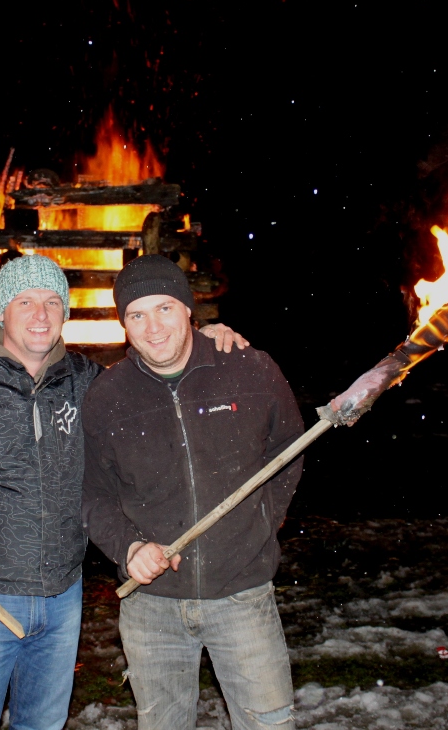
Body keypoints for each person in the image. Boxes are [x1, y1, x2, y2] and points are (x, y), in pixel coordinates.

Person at [0, 253, 246, 730]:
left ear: (65, 313)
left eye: (53, 302)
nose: (41, 314)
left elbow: (154, 377)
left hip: (63, 597)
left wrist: (203, 341)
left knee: (43, 724)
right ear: (2, 311)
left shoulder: (86, 382)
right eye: (26, 301)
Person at [82, 254, 305, 730]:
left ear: (188, 309)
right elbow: (92, 493)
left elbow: (288, 450)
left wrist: (263, 520)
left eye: (164, 308)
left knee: (268, 724)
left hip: (242, 595)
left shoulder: (249, 369)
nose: (153, 328)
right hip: (152, 606)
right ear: (123, 324)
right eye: (137, 315)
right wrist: (129, 547)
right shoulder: (107, 396)